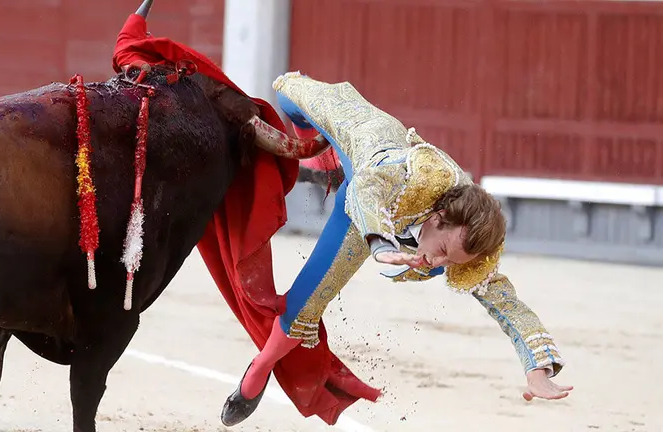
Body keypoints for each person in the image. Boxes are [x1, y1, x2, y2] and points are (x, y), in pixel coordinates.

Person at [220, 71, 573, 426]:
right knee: (288, 92)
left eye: (452, 262)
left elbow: (507, 304)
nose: (437, 262)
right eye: (444, 250)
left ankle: (324, 163)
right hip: (369, 192)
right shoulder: (403, 176)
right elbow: (366, 189)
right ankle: (259, 369)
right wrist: (378, 243)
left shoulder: (470, 240)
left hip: (389, 219)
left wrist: (537, 368)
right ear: (437, 217)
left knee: (307, 309)